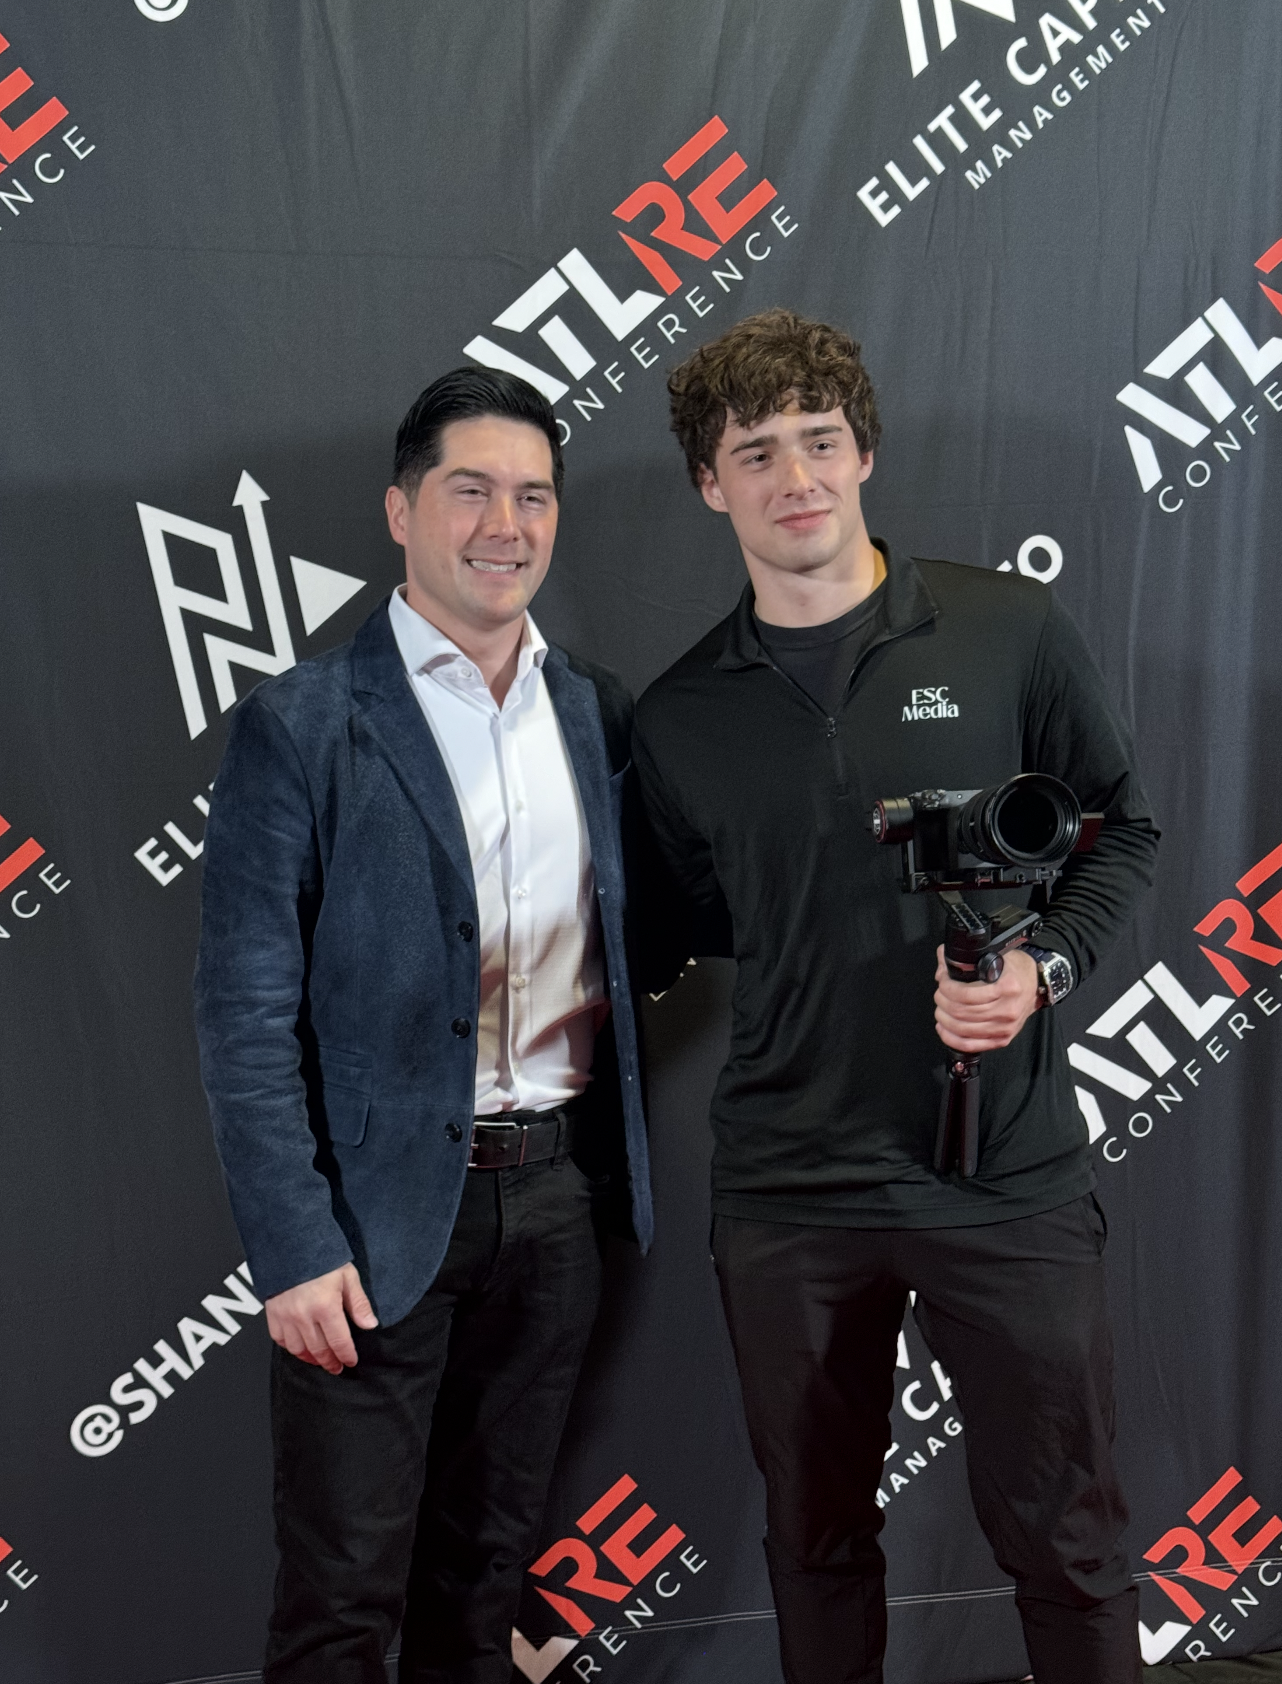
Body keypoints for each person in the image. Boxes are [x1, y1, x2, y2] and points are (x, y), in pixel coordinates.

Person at [631, 307, 1159, 1684]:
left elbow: (1123, 832)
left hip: (1002, 1181)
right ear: (711, 483)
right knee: (811, 1548)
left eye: (818, 440)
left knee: (1072, 1544)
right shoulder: (679, 715)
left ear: (861, 453)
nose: (792, 475)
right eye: (756, 452)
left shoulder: (1004, 626)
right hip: (789, 1192)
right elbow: (661, 933)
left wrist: (1040, 970)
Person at [194, 367, 655, 1683]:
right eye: (469, 491)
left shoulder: (589, 710)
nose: (503, 523)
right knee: (342, 1600)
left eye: (531, 495)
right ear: (401, 513)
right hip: (370, 1225)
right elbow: (242, 1007)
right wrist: (291, 1245)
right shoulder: (302, 723)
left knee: (484, 1580)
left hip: (555, 1207)